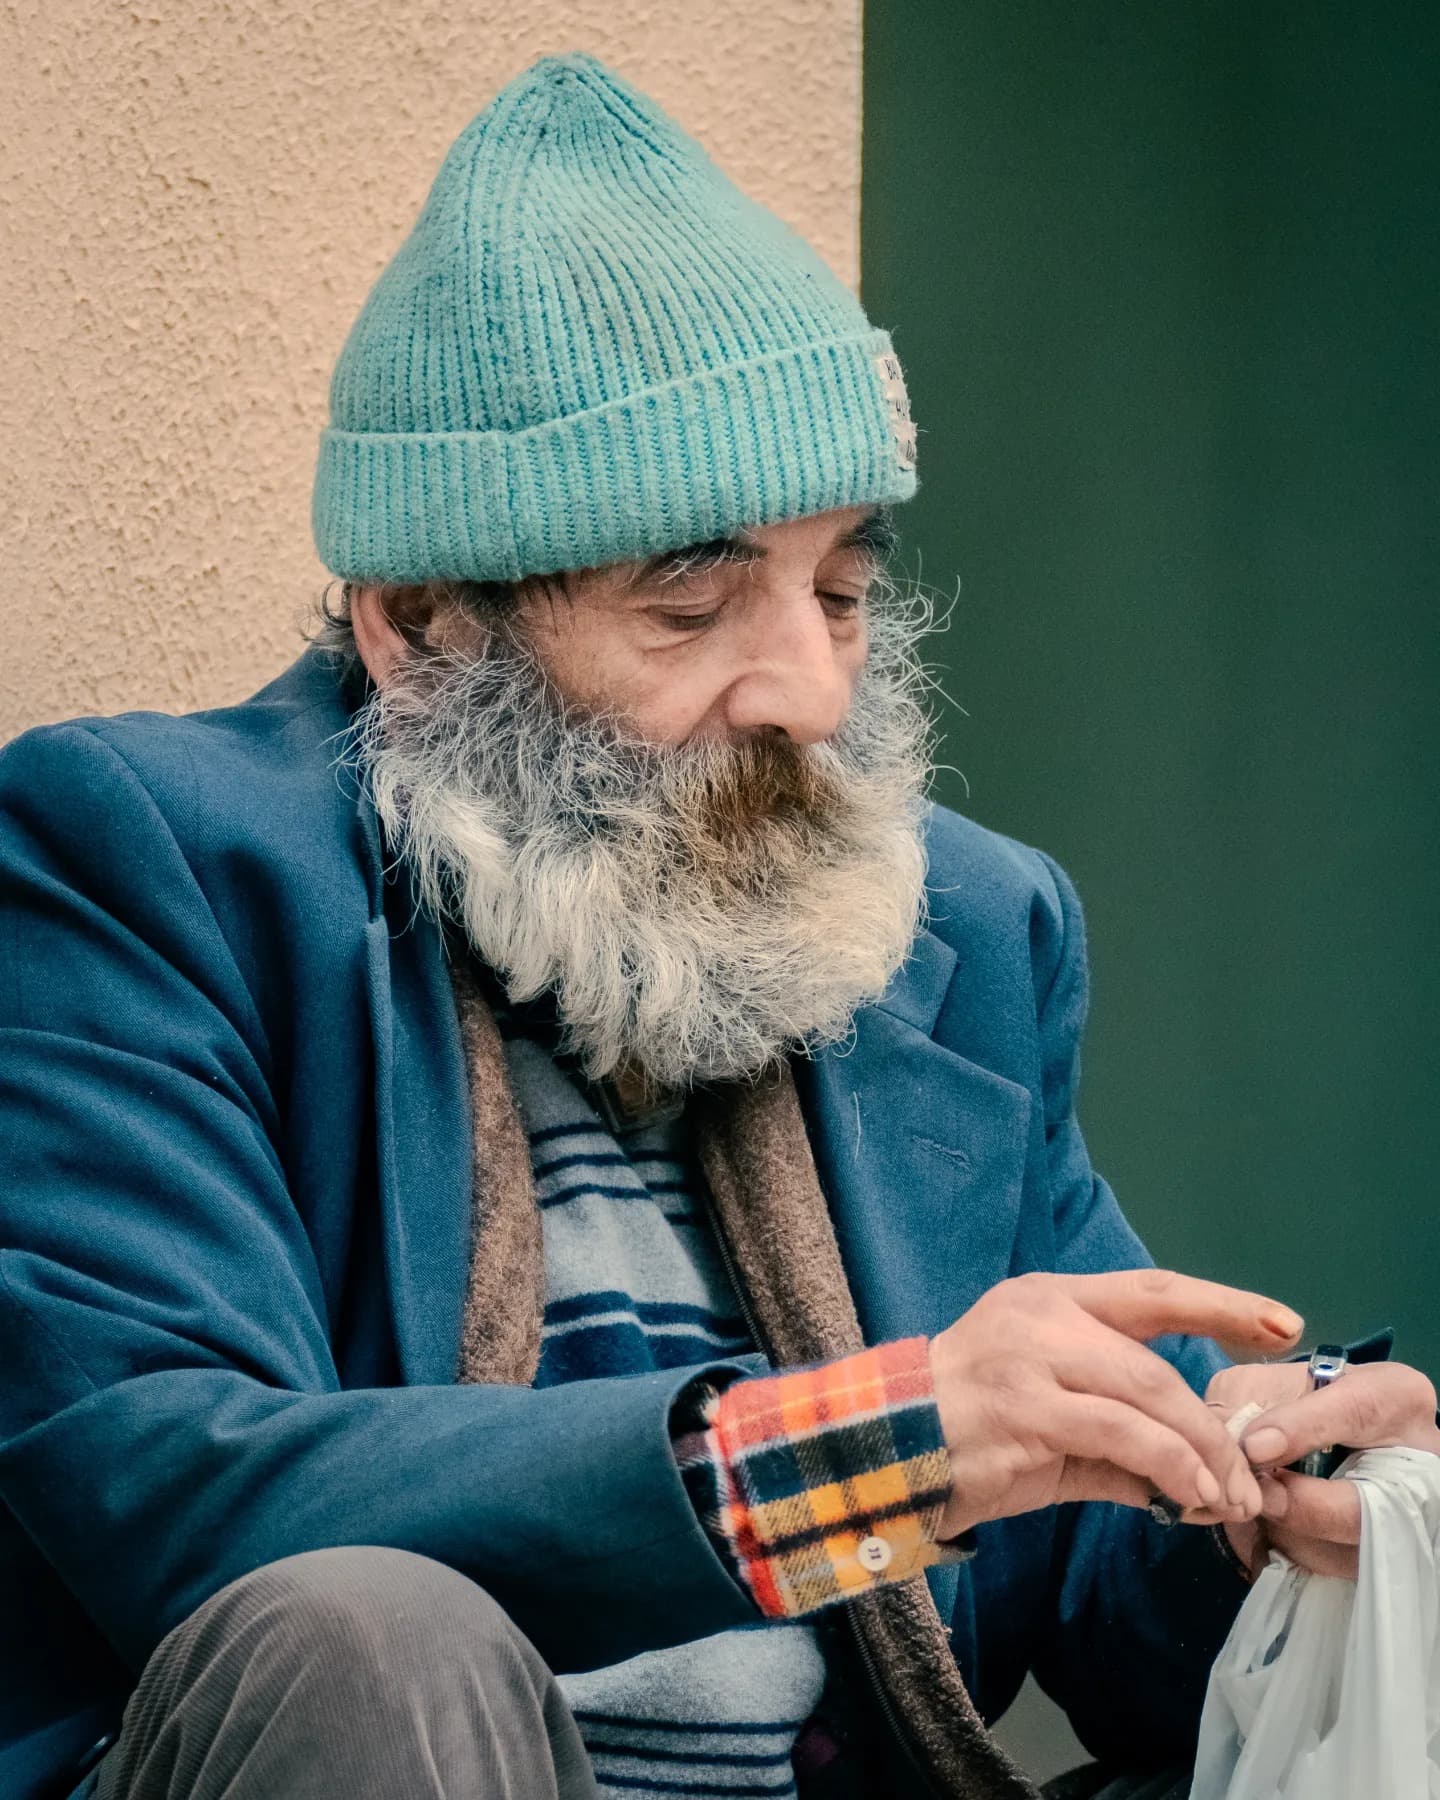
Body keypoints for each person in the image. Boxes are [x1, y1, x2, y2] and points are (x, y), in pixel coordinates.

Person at [1, 49, 1435, 1800]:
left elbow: (1102, 1603)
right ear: (420, 625)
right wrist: (862, 1453)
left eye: (842, 588)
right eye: (693, 605)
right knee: (375, 1628)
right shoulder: (148, 861)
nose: (812, 693)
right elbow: (173, 1487)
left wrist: (1272, 1506)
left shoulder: (960, 929)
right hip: (384, 1746)